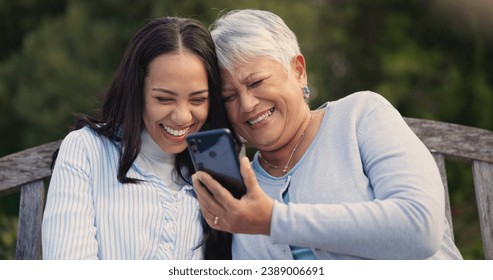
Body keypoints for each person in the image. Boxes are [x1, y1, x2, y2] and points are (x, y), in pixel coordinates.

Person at [192, 9, 463, 259]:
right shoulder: (242, 191)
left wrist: (274, 220)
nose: (247, 104)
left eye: (257, 82)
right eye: (229, 97)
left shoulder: (361, 115)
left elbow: (420, 227)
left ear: (298, 71)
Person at [42, 16, 235, 260]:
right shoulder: (86, 151)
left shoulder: (215, 166)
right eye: (164, 99)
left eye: (198, 100)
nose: (181, 117)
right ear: (137, 91)